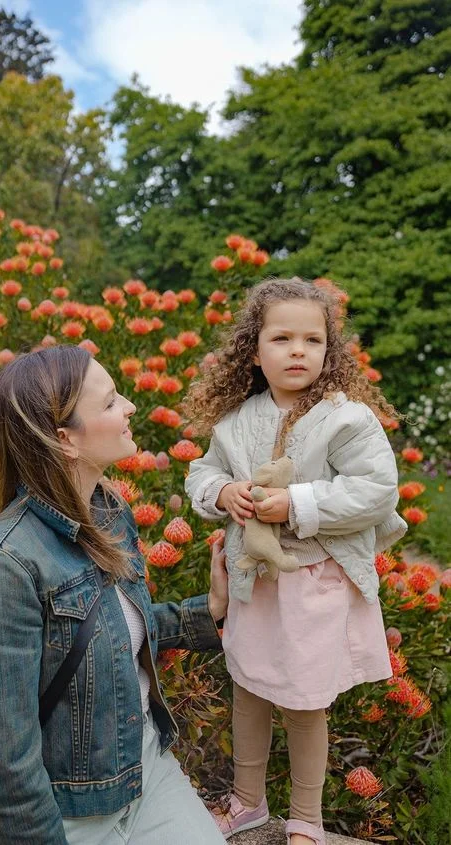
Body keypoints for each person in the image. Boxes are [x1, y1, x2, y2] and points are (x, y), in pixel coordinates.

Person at [0, 345, 229, 845]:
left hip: (145, 770)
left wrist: (208, 612)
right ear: (64, 439)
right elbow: (6, 761)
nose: (128, 407)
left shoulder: (107, 510)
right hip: (69, 812)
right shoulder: (4, 565)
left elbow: (112, 631)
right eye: (108, 403)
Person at [183, 278, 407, 845]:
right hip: (254, 585)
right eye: (281, 338)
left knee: (306, 705)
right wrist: (221, 493)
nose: (298, 350)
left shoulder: (345, 418)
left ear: (329, 351)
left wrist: (298, 503)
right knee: (249, 690)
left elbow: (375, 490)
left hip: (314, 583)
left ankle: (307, 818)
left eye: (313, 339)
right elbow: (202, 471)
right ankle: (248, 803)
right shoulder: (237, 418)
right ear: (254, 351)